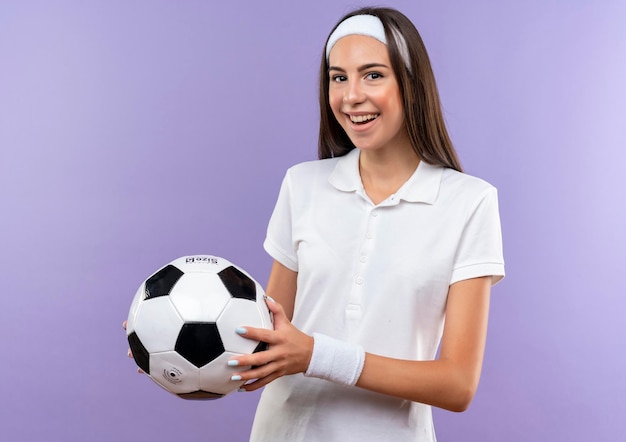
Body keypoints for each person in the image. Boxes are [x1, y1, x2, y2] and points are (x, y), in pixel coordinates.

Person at [125, 6, 504, 441]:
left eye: (373, 75)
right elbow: (269, 343)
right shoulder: (302, 185)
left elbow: (457, 385)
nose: (351, 96)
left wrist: (316, 355)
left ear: (412, 84)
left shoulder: (469, 203)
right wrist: (162, 341)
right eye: (338, 77)